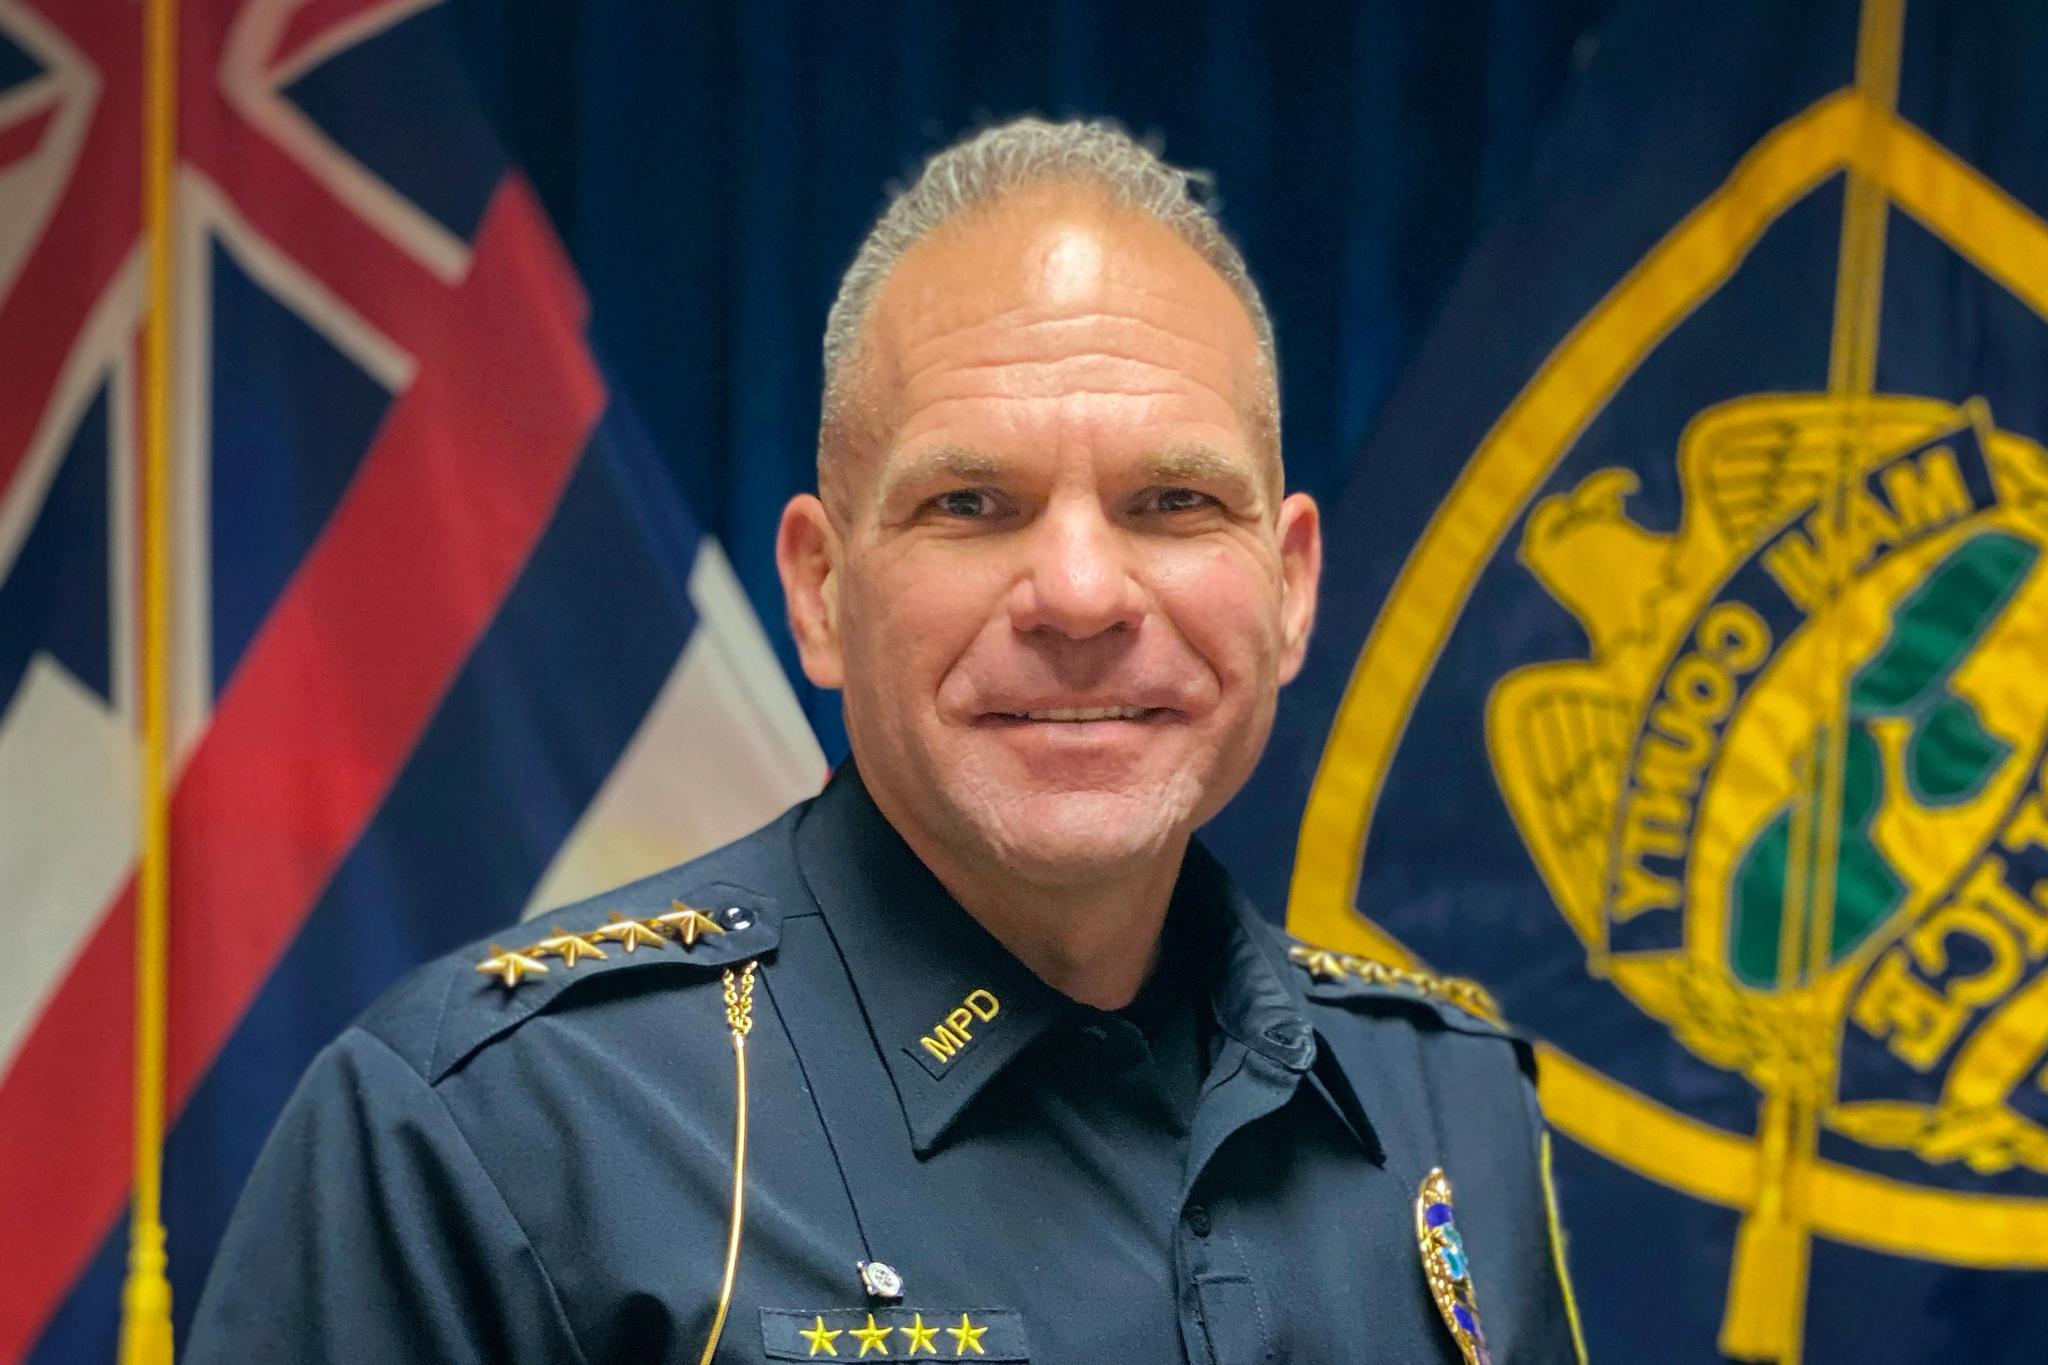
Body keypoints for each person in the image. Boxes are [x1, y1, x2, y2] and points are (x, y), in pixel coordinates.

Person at [187, 118, 1582, 1365]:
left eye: (1171, 500)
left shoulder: (1445, 1103)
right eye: (972, 503)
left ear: (1289, 588)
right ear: (821, 590)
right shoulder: (494, 1138)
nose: (1084, 596)